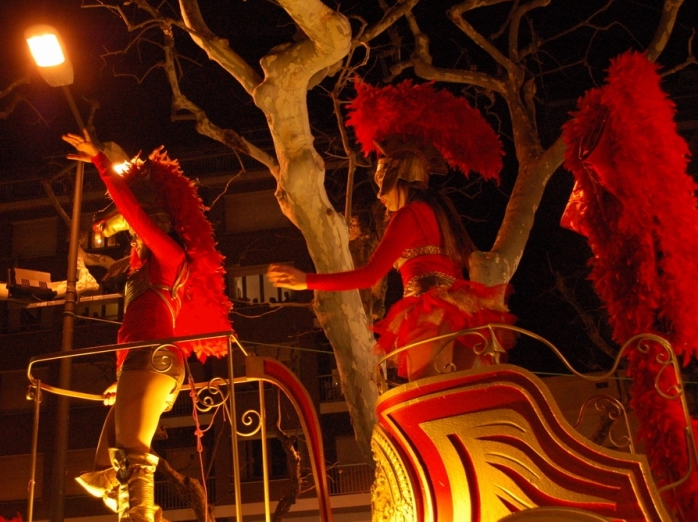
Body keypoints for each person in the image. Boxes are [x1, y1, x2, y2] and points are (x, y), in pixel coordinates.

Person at [267, 80, 514, 381]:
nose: (380, 196)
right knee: (453, 391)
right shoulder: (438, 213)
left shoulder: (409, 215)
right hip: (461, 312)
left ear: (398, 178)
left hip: (428, 312)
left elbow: (370, 274)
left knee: (425, 394)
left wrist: (307, 281)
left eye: (382, 187)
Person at [62, 130, 232, 522]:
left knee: (132, 458)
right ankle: (149, 515)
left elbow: (135, 216)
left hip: (153, 359)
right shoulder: (143, 266)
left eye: (136, 227)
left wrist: (102, 164)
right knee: (106, 471)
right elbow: (135, 328)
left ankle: (141, 516)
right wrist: (121, 378)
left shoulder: (170, 256)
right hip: (143, 360)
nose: (131, 233)